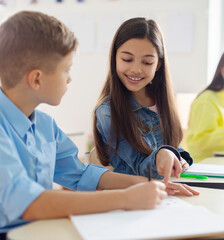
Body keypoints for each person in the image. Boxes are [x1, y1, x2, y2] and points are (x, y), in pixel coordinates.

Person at [0, 11, 198, 238]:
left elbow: (82, 174)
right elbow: (29, 203)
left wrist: (149, 184)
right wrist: (126, 198)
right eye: (66, 69)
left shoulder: (45, 125)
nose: (69, 78)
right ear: (37, 79)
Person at [93, 17, 193, 185]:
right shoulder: (108, 111)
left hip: (166, 192)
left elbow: (173, 146)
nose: (136, 69)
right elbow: (141, 166)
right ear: (114, 58)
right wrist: (164, 155)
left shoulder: (162, 103)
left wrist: (179, 158)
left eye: (147, 62)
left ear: (158, 65)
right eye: (127, 59)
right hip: (131, 198)